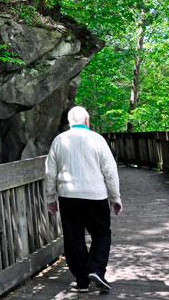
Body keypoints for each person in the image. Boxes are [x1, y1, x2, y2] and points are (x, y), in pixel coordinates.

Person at [45, 106, 122, 293]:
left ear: (70, 122)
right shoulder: (97, 139)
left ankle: (82, 280)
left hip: (68, 196)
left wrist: (50, 198)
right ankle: (95, 269)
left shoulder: (59, 140)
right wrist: (115, 197)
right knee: (101, 233)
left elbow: (50, 173)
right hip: (96, 196)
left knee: (73, 237)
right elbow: (110, 171)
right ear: (87, 120)